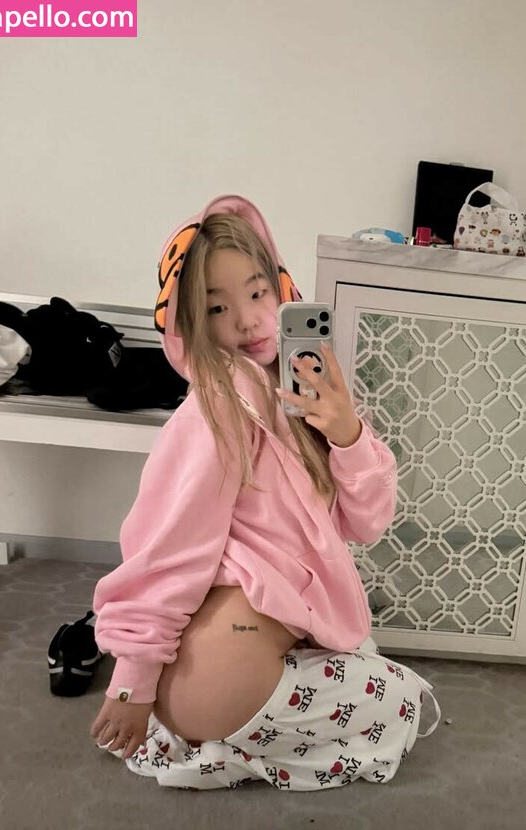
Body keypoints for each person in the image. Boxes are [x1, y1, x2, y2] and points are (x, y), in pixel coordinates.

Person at [89, 194, 439, 790]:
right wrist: (131, 682)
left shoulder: (298, 399)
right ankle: (218, 747)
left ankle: (209, 738)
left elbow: (366, 521)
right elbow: (166, 549)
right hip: (221, 673)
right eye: (217, 307)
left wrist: (347, 434)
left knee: (363, 650)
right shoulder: (218, 408)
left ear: (282, 290)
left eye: (257, 294)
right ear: (191, 324)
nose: (249, 322)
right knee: (406, 702)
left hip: (230, 661)